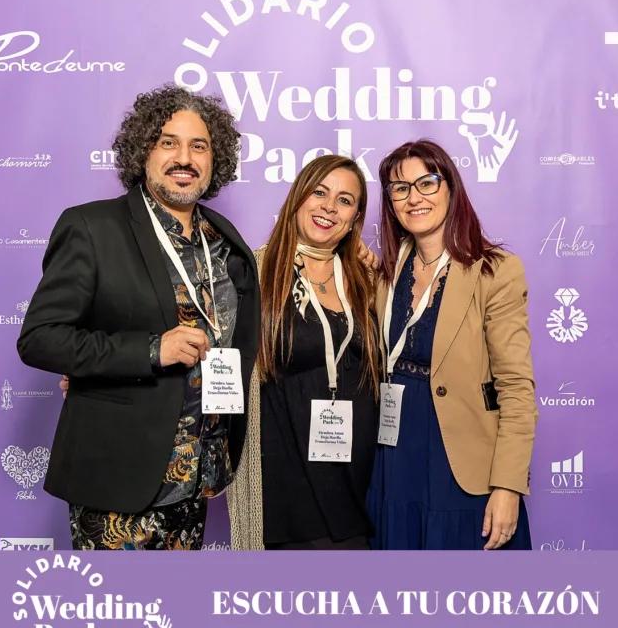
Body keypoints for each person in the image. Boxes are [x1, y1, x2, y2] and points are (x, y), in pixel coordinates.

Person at [16, 84, 259, 550]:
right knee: (118, 618)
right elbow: (40, 338)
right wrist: (151, 349)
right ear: (142, 152)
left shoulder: (224, 242)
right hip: (119, 477)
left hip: (199, 476)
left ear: (216, 159)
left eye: (199, 146)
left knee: (175, 619)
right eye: (168, 142)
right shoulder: (92, 228)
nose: (184, 157)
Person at [366, 138, 537, 551]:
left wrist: (508, 487)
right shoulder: (383, 273)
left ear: (450, 188)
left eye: (427, 182)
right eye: (399, 188)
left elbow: (515, 388)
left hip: (461, 459)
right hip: (394, 455)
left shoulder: (495, 271)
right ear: (390, 202)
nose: (414, 197)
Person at [226, 154, 381, 550]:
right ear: (298, 198)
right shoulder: (252, 273)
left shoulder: (366, 279)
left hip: (357, 478)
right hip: (286, 483)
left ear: (354, 218)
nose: (329, 206)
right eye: (320, 192)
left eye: (345, 201)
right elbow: (208, 356)